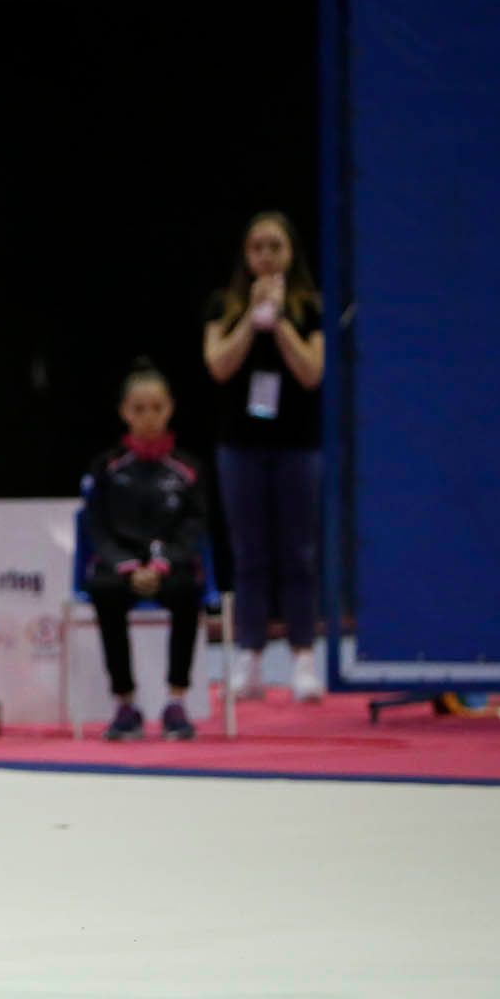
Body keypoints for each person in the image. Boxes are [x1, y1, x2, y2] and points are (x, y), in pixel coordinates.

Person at [203, 211, 326, 702]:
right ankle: (249, 655)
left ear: (291, 252)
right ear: (246, 255)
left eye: (276, 246)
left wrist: (278, 324)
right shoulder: (223, 304)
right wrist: (252, 322)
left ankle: (302, 656)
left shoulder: (309, 307)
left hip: (297, 446)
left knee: (298, 552)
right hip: (240, 447)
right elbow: (218, 364)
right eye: (258, 247)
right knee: (249, 553)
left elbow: (312, 372)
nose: (267, 256)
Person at [82, 360, 209, 741]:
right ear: (124, 413)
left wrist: (163, 562)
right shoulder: (107, 467)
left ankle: (176, 701)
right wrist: (125, 565)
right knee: (104, 594)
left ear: (169, 409)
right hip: (120, 567)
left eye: (156, 408)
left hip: (171, 565)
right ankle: (125, 703)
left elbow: (196, 524)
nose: (149, 417)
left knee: (189, 593)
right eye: (139, 409)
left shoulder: (187, 468)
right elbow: (96, 525)